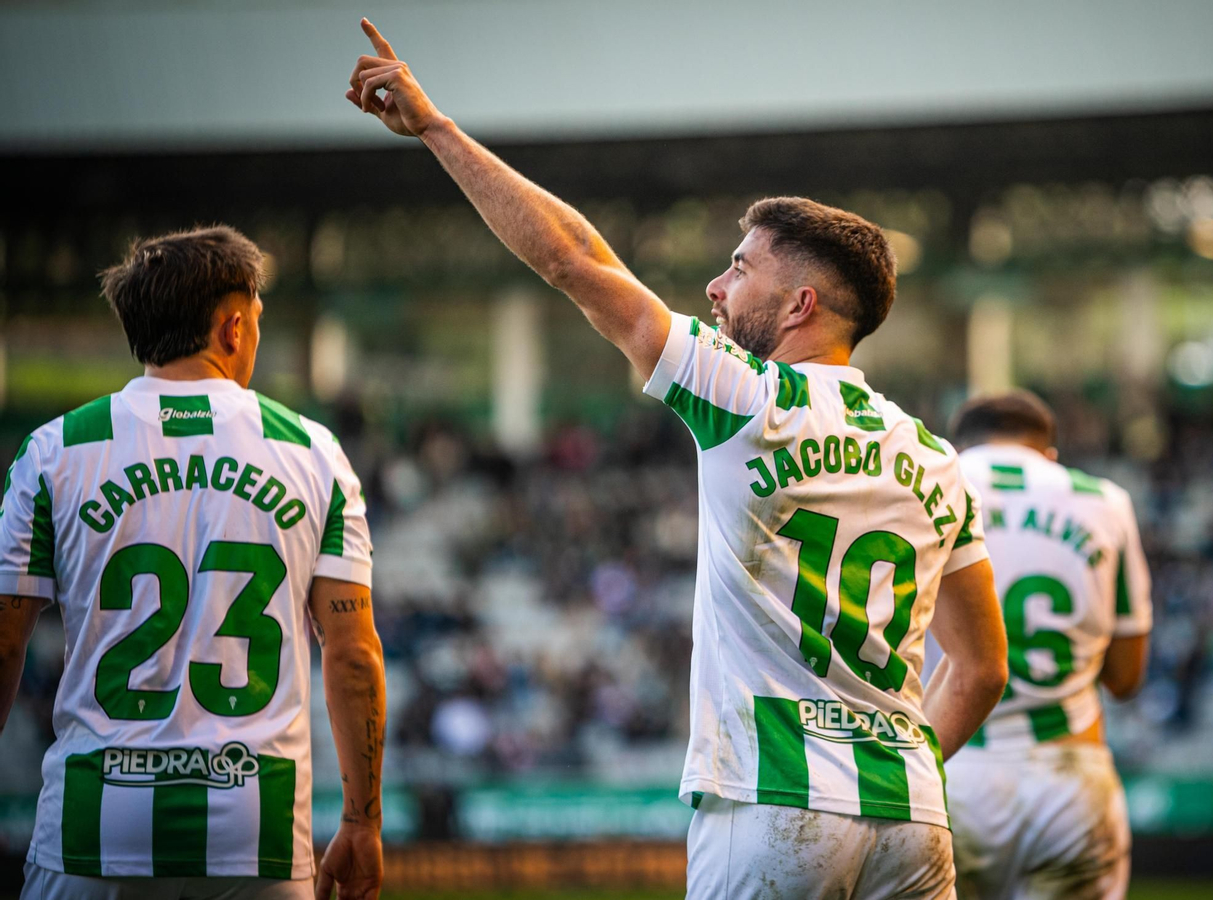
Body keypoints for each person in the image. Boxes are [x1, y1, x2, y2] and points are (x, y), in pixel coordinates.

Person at [345, 19, 1008, 898]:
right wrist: (895, 769)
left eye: (738, 269)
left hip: (771, 804)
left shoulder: (746, 396)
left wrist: (436, 128)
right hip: (911, 818)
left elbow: (572, 259)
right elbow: (986, 666)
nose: (715, 287)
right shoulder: (937, 458)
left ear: (801, 303)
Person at [0, 226, 386, 900]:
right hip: (254, 834)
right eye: (258, 322)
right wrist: (361, 820)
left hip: (94, 829)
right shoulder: (313, 453)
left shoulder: (55, 452)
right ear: (231, 328)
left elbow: (5, 639)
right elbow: (353, 656)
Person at [943, 391, 1152, 900]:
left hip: (950, 770)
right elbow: (1126, 678)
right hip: (1069, 776)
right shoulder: (1105, 500)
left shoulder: (927, 483)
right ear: (1049, 455)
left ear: (958, 446)